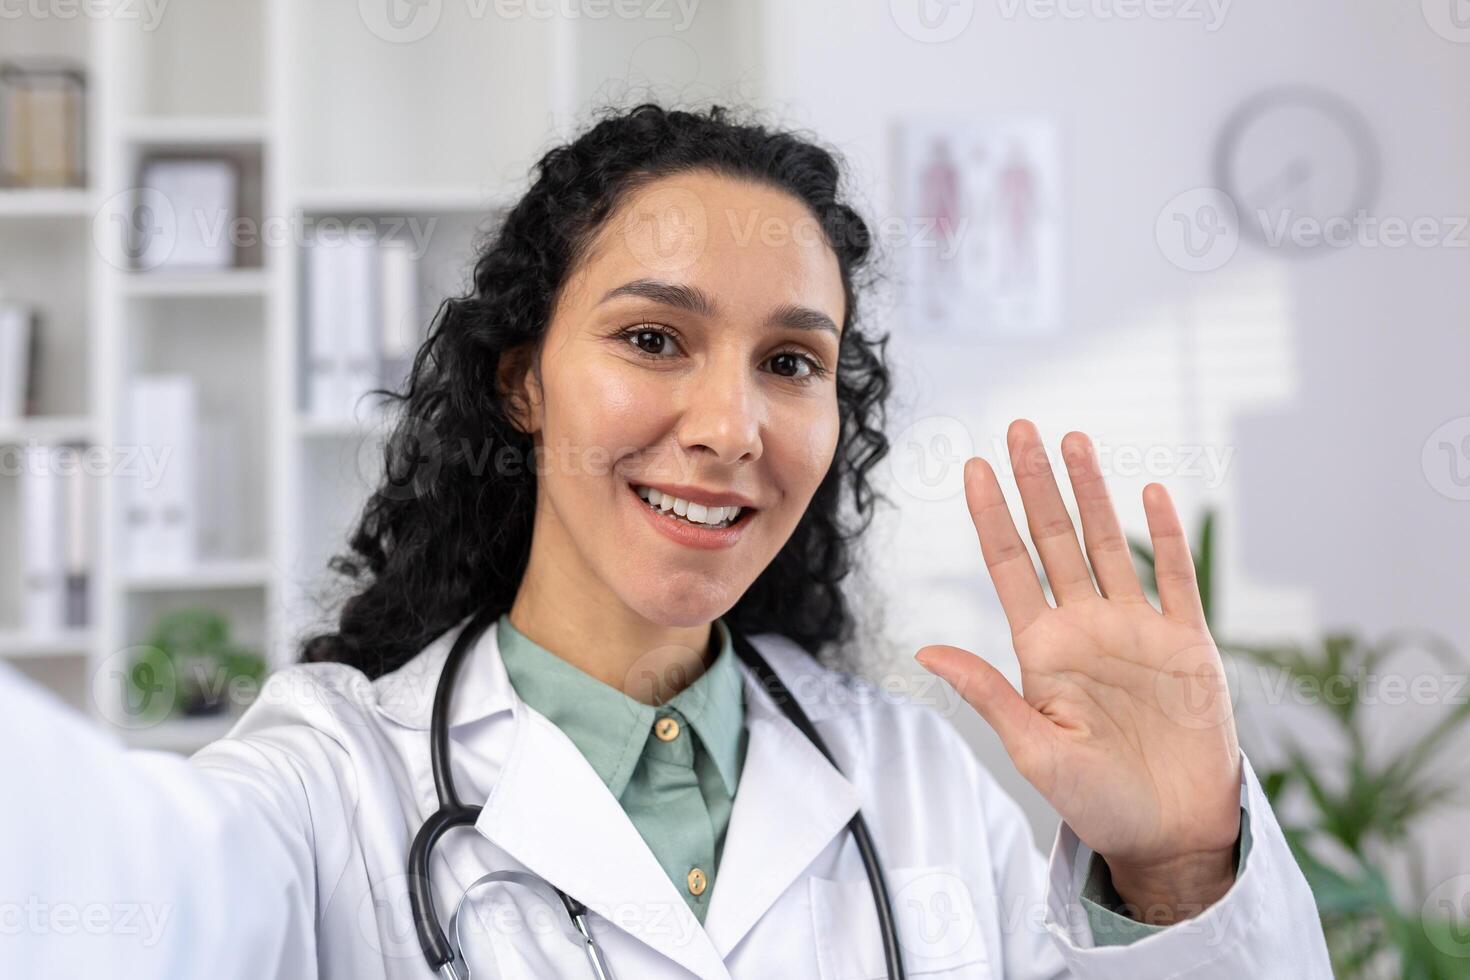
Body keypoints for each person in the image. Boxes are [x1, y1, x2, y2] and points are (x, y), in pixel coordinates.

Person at [1, 103, 1331, 978]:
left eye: (791, 362)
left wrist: (1171, 869)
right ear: (520, 379)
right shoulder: (336, 779)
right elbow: (122, 893)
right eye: (653, 339)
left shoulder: (915, 786)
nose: (730, 424)